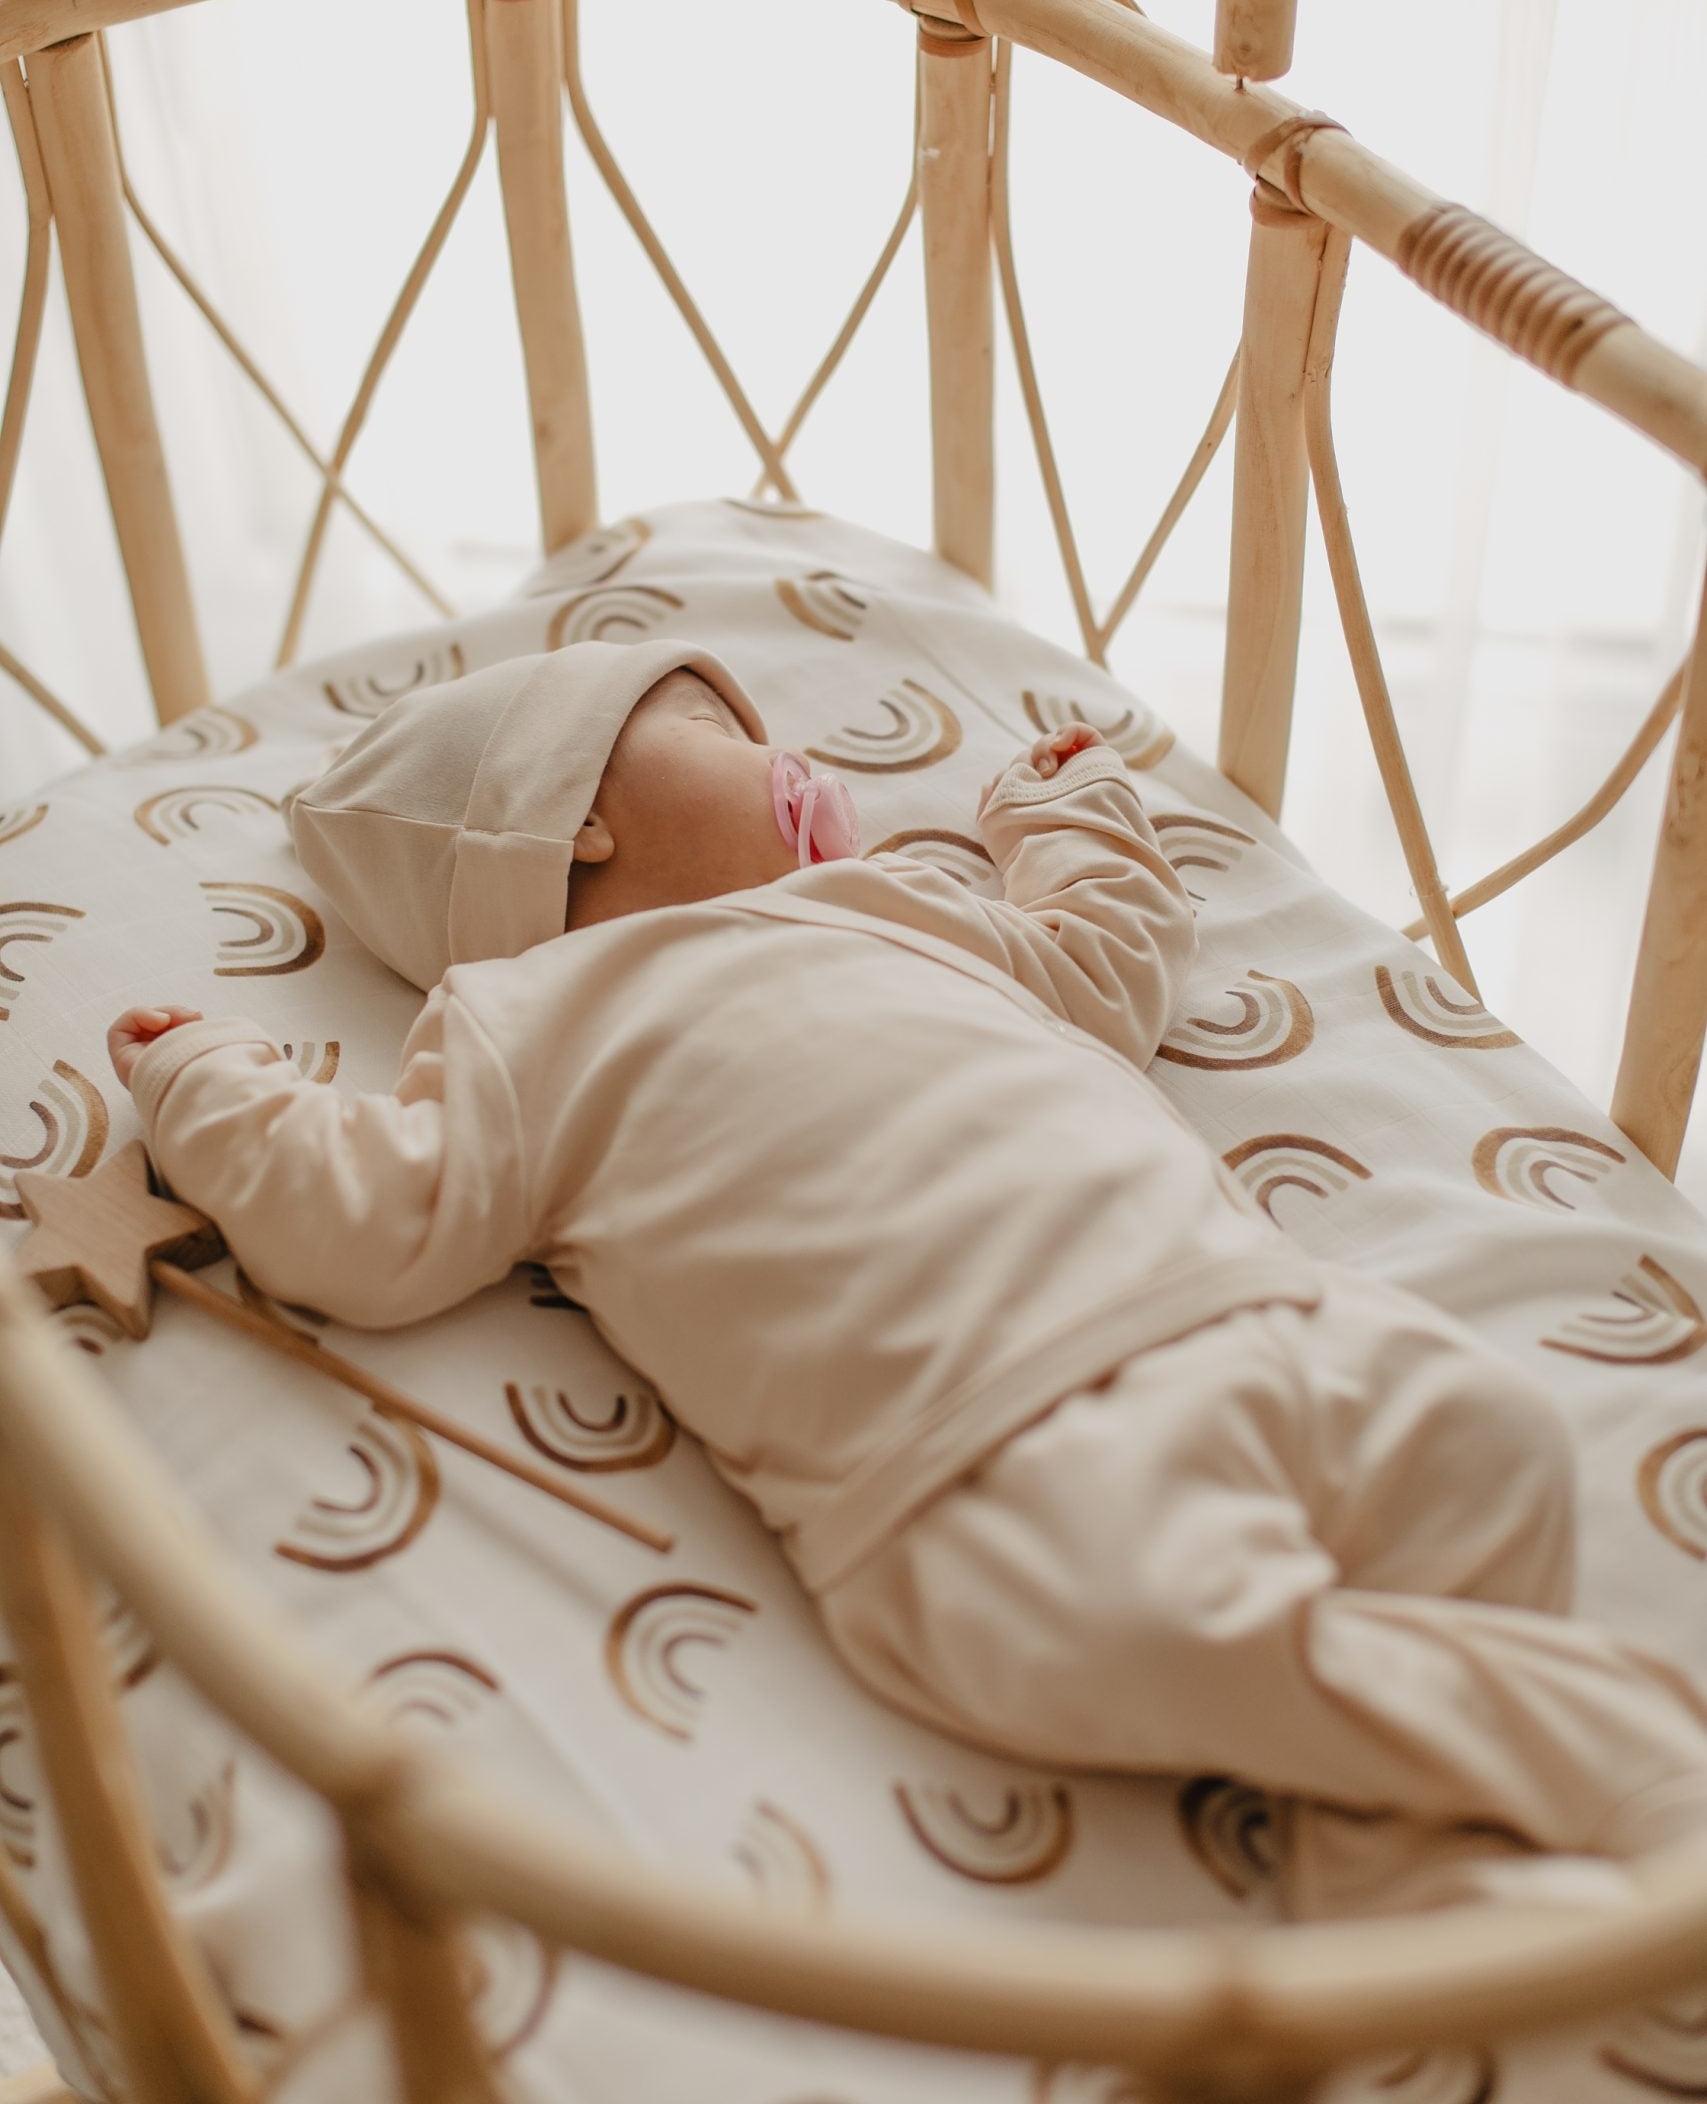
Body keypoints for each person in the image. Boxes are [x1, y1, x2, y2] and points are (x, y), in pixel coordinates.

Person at [107, 640, 1707, 1919]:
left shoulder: (899, 907)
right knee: (1192, 1629)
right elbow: (369, 1224)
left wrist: (1065, 819)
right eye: (732, 731)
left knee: (1484, 1444)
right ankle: (1643, 1791)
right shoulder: (531, 1026)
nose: (809, 767)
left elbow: (1103, 966)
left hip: (1238, 1309)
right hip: (981, 1464)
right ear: (578, 813)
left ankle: (1428, 1915)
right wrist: (218, 1089)